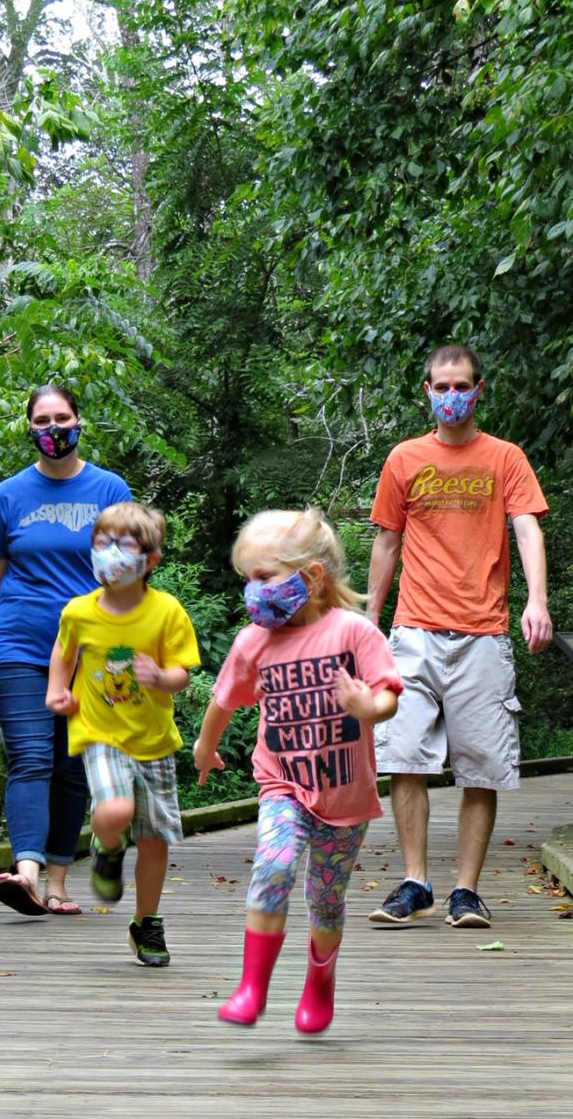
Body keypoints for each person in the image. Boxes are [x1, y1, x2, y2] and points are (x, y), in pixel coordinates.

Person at [193, 508, 402, 1032]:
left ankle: (319, 982)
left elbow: (389, 696)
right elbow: (222, 702)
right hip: (282, 784)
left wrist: (367, 706)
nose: (252, 590)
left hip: (346, 797)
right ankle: (252, 988)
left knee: (326, 901)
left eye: (264, 577)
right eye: (248, 578)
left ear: (311, 577)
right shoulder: (253, 642)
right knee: (274, 867)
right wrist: (203, 747)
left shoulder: (353, 632)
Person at [367, 344, 554, 930]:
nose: (452, 396)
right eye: (441, 386)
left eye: (462, 386)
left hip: (483, 634)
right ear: (426, 390)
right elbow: (387, 543)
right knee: (404, 758)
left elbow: (526, 530)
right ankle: (415, 882)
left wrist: (538, 600)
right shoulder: (404, 458)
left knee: (481, 767)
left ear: (480, 389)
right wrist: (369, 621)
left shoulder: (505, 457)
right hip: (414, 632)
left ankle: (465, 892)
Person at [0, 384, 131, 916]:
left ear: (79, 421)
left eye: (62, 417)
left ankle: (57, 880)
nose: (52, 429)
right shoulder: (9, 495)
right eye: (42, 420)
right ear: (29, 428)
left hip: (92, 650)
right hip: (20, 642)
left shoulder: (109, 489)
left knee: (72, 765)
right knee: (30, 757)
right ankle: (27, 870)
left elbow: (128, 573)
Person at [46, 501, 200, 966]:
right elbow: (63, 653)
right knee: (115, 809)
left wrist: (162, 678)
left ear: (149, 560)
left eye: (123, 545)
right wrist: (58, 690)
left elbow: (183, 672)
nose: (109, 553)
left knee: (155, 840)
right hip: (99, 733)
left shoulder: (166, 611)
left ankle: (146, 923)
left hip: (153, 741)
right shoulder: (79, 612)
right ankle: (106, 846)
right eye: (101, 543)